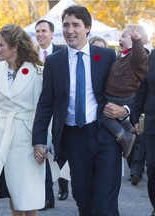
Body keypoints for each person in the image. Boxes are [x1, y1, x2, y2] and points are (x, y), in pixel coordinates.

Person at [32, 5, 127, 215]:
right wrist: (39, 139)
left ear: (88, 28)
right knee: (84, 202)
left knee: (105, 205)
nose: (70, 30)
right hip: (74, 140)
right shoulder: (54, 62)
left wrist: (125, 109)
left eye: (76, 25)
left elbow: (128, 89)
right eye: (66, 25)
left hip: (106, 136)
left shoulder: (107, 56)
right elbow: (46, 103)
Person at [0, 24, 59, 216]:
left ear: (14, 47)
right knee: (12, 192)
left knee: (28, 196)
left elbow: (44, 111)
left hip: (28, 140)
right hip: (3, 139)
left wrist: (43, 142)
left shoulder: (38, 71)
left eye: (1, 45)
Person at [35, 19, 68, 208]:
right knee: (44, 152)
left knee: (61, 150)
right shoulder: (31, 56)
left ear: (52, 33)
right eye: (38, 31)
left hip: (60, 110)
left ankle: (63, 186)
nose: (40, 34)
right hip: (42, 109)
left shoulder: (61, 54)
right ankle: (47, 195)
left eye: (43, 31)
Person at [103, 24, 148, 158]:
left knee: (104, 116)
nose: (120, 39)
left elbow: (140, 56)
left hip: (121, 96)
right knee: (117, 117)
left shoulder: (137, 55)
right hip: (116, 94)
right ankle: (128, 127)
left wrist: (137, 41)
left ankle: (123, 137)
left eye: (123, 36)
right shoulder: (123, 55)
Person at [132, 49, 155, 216]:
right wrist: (136, 117)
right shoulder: (153, 55)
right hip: (152, 121)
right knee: (153, 166)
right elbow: (143, 89)